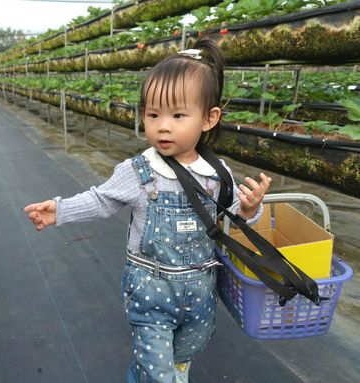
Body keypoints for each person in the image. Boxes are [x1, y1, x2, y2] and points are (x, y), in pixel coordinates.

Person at [24, 38, 271, 383]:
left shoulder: (218, 175)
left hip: (200, 288)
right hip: (150, 288)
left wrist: (249, 210)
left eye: (178, 115)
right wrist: (61, 210)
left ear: (209, 118)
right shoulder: (138, 171)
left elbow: (230, 222)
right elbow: (101, 199)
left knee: (184, 356)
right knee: (156, 370)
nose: (163, 125)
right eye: (153, 115)